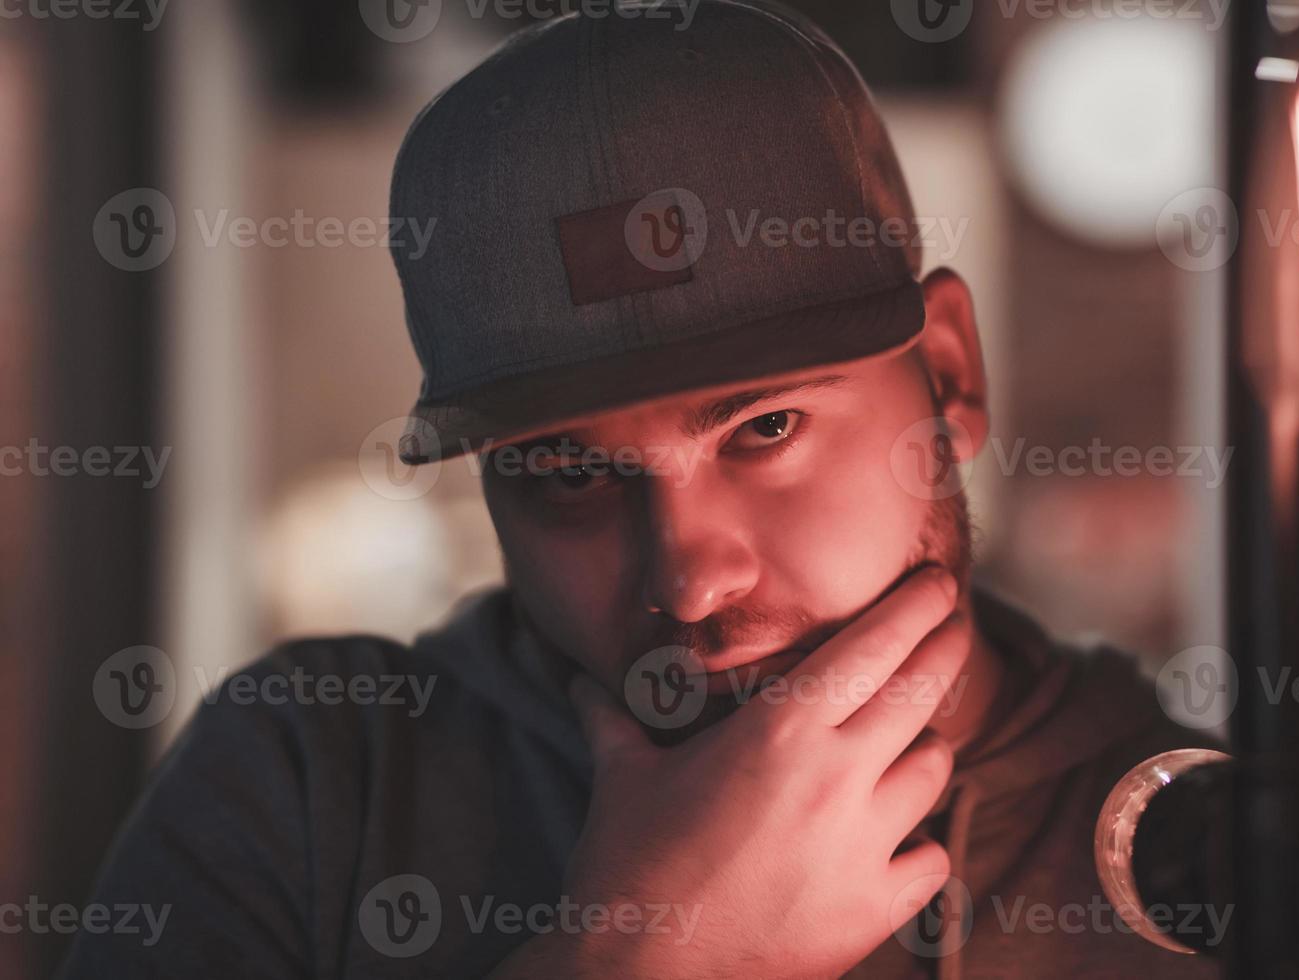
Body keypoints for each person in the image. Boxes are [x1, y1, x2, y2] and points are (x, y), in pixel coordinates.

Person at [60, 2, 1222, 976]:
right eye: (566, 470)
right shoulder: (312, 784)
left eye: (765, 426)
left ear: (951, 373)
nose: (691, 576)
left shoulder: (1202, 843)